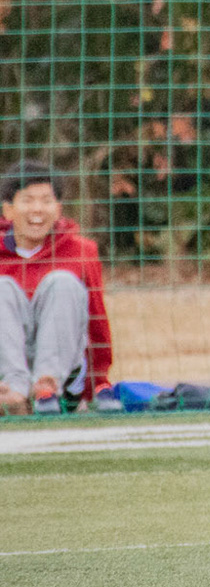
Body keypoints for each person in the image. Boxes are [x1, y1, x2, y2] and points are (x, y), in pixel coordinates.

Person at [0, 161, 113, 415]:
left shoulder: (81, 251)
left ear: (58, 209)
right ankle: (14, 394)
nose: (37, 209)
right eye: (27, 200)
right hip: (7, 375)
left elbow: (96, 321)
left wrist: (99, 383)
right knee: (2, 288)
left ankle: (46, 389)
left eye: (46, 200)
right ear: (8, 210)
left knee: (62, 282)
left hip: (63, 375)